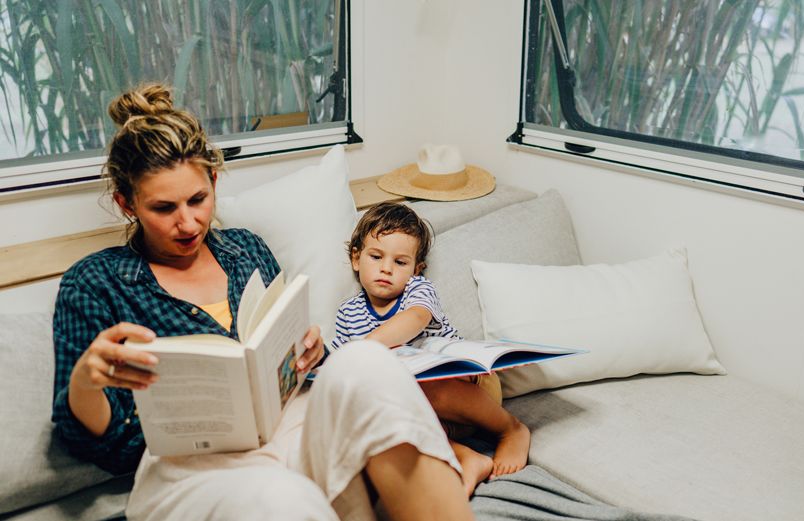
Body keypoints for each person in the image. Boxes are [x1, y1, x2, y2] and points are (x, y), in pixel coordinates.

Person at [51, 84, 473, 521]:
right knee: (280, 498)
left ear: (213, 181)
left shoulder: (245, 251)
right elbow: (94, 442)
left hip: (289, 427)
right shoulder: (94, 282)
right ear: (127, 204)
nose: (188, 221)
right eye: (163, 207)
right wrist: (87, 380)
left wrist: (308, 352)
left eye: (198, 199)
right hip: (190, 468)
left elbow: (294, 356)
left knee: (367, 360)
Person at [331, 202, 531, 494]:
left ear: (416, 269)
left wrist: (366, 348)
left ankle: (510, 429)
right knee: (381, 417)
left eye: (400, 262)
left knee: (426, 387)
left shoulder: (418, 291)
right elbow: (338, 362)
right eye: (376, 257)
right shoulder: (348, 313)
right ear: (356, 259)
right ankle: (467, 457)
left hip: (471, 386)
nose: (386, 268)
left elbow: (414, 320)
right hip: (432, 417)